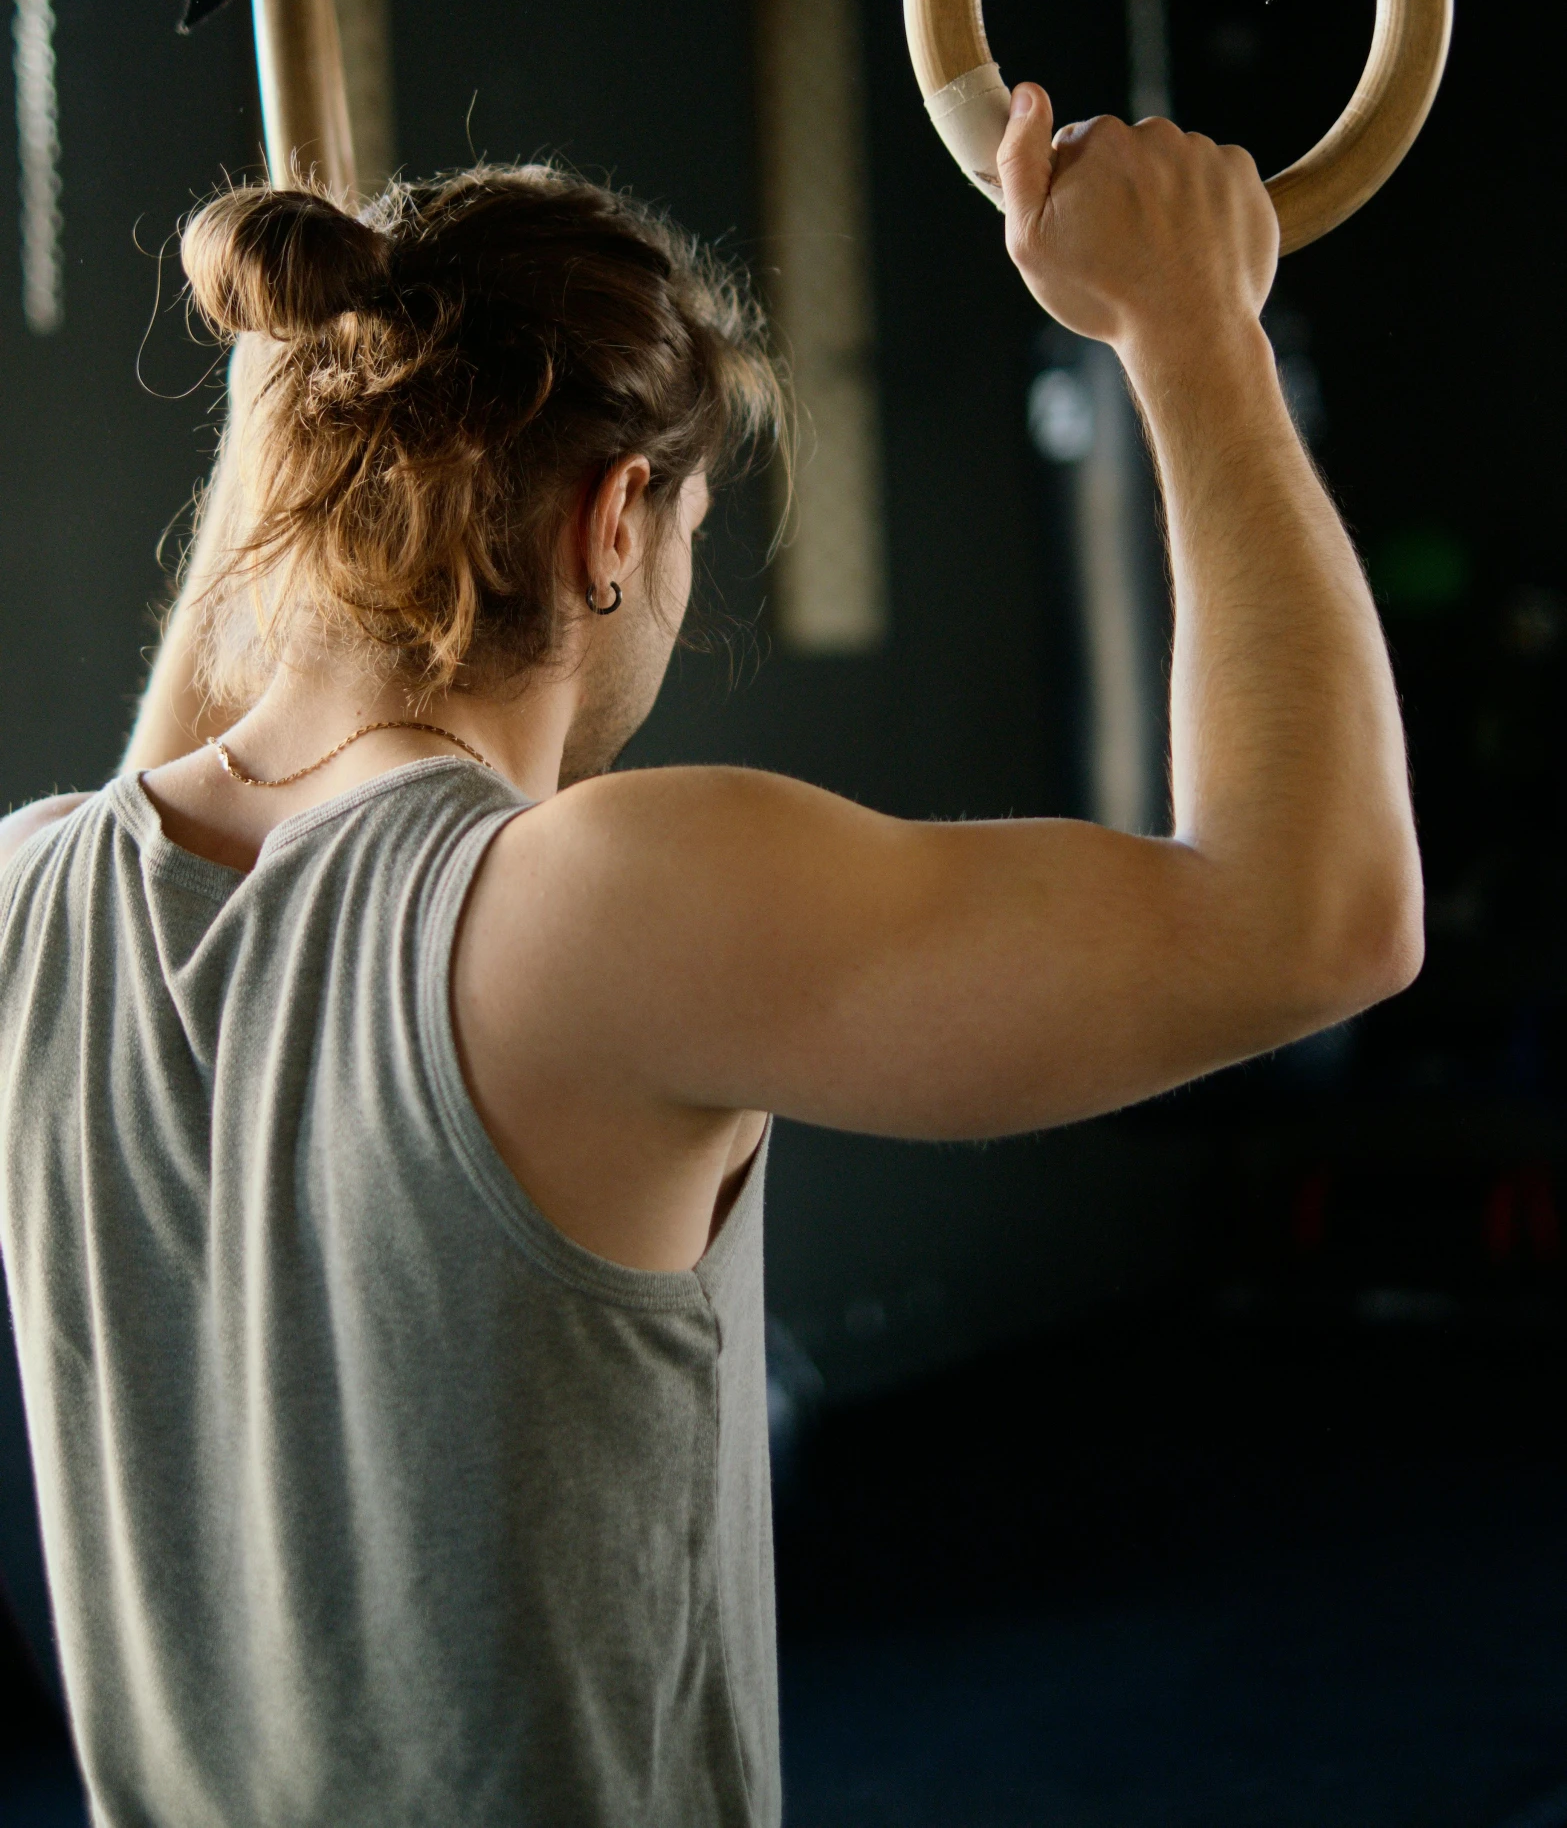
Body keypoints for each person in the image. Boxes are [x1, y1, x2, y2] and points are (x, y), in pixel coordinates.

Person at [0, 88, 1422, 1828]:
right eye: (685, 533)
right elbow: (1318, 917)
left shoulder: (34, 898)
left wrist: (280, 429)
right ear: (616, 521)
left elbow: (185, 744)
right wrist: (1195, 326)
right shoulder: (583, 906)